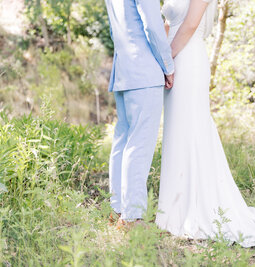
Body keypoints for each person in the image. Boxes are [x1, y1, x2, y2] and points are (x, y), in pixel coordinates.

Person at [155, 0, 255, 247]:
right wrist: (161, 61)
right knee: (176, 134)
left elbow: (189, 25)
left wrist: (167, 61)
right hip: (171, 59)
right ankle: (173, 210)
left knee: (192, 130)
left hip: (187, 59)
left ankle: (196, 209)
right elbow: (168, 23)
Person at [104, 0, 175, 229]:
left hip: (123, 68)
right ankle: (132, 216)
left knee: (122, 141)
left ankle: (117, 209)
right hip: (144, 71)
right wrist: (168, 66)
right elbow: (152, 26)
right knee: (139, 144)